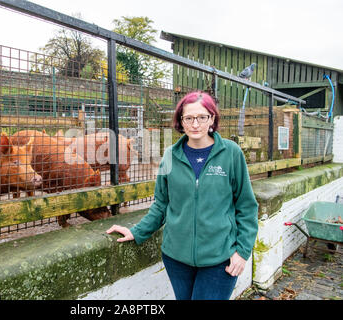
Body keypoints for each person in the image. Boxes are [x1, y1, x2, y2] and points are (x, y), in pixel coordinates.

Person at [106, 90, 259, 300]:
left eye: (202, 117)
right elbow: (161, 204)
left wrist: (242, 252)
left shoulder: (232, 154)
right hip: (176, 258)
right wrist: (137, 231)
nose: (195, 124)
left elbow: (247, 207)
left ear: (212, 119)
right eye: (189, 118)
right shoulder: (169, 155)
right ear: (181, 121)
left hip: (220, 258)